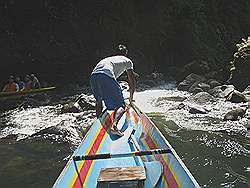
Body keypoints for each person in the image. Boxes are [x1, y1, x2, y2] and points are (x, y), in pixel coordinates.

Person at [90, 44, 137, 135]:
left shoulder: (109, 59)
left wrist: (133, 73)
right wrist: (131, 98)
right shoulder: (128, 61)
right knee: (121, 105)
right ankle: (114, 127)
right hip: (106, 76)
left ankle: (98, 123)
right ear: (126, 53)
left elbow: (109, 69)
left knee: (99, 101)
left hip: (94, 76)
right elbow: (132, 81)